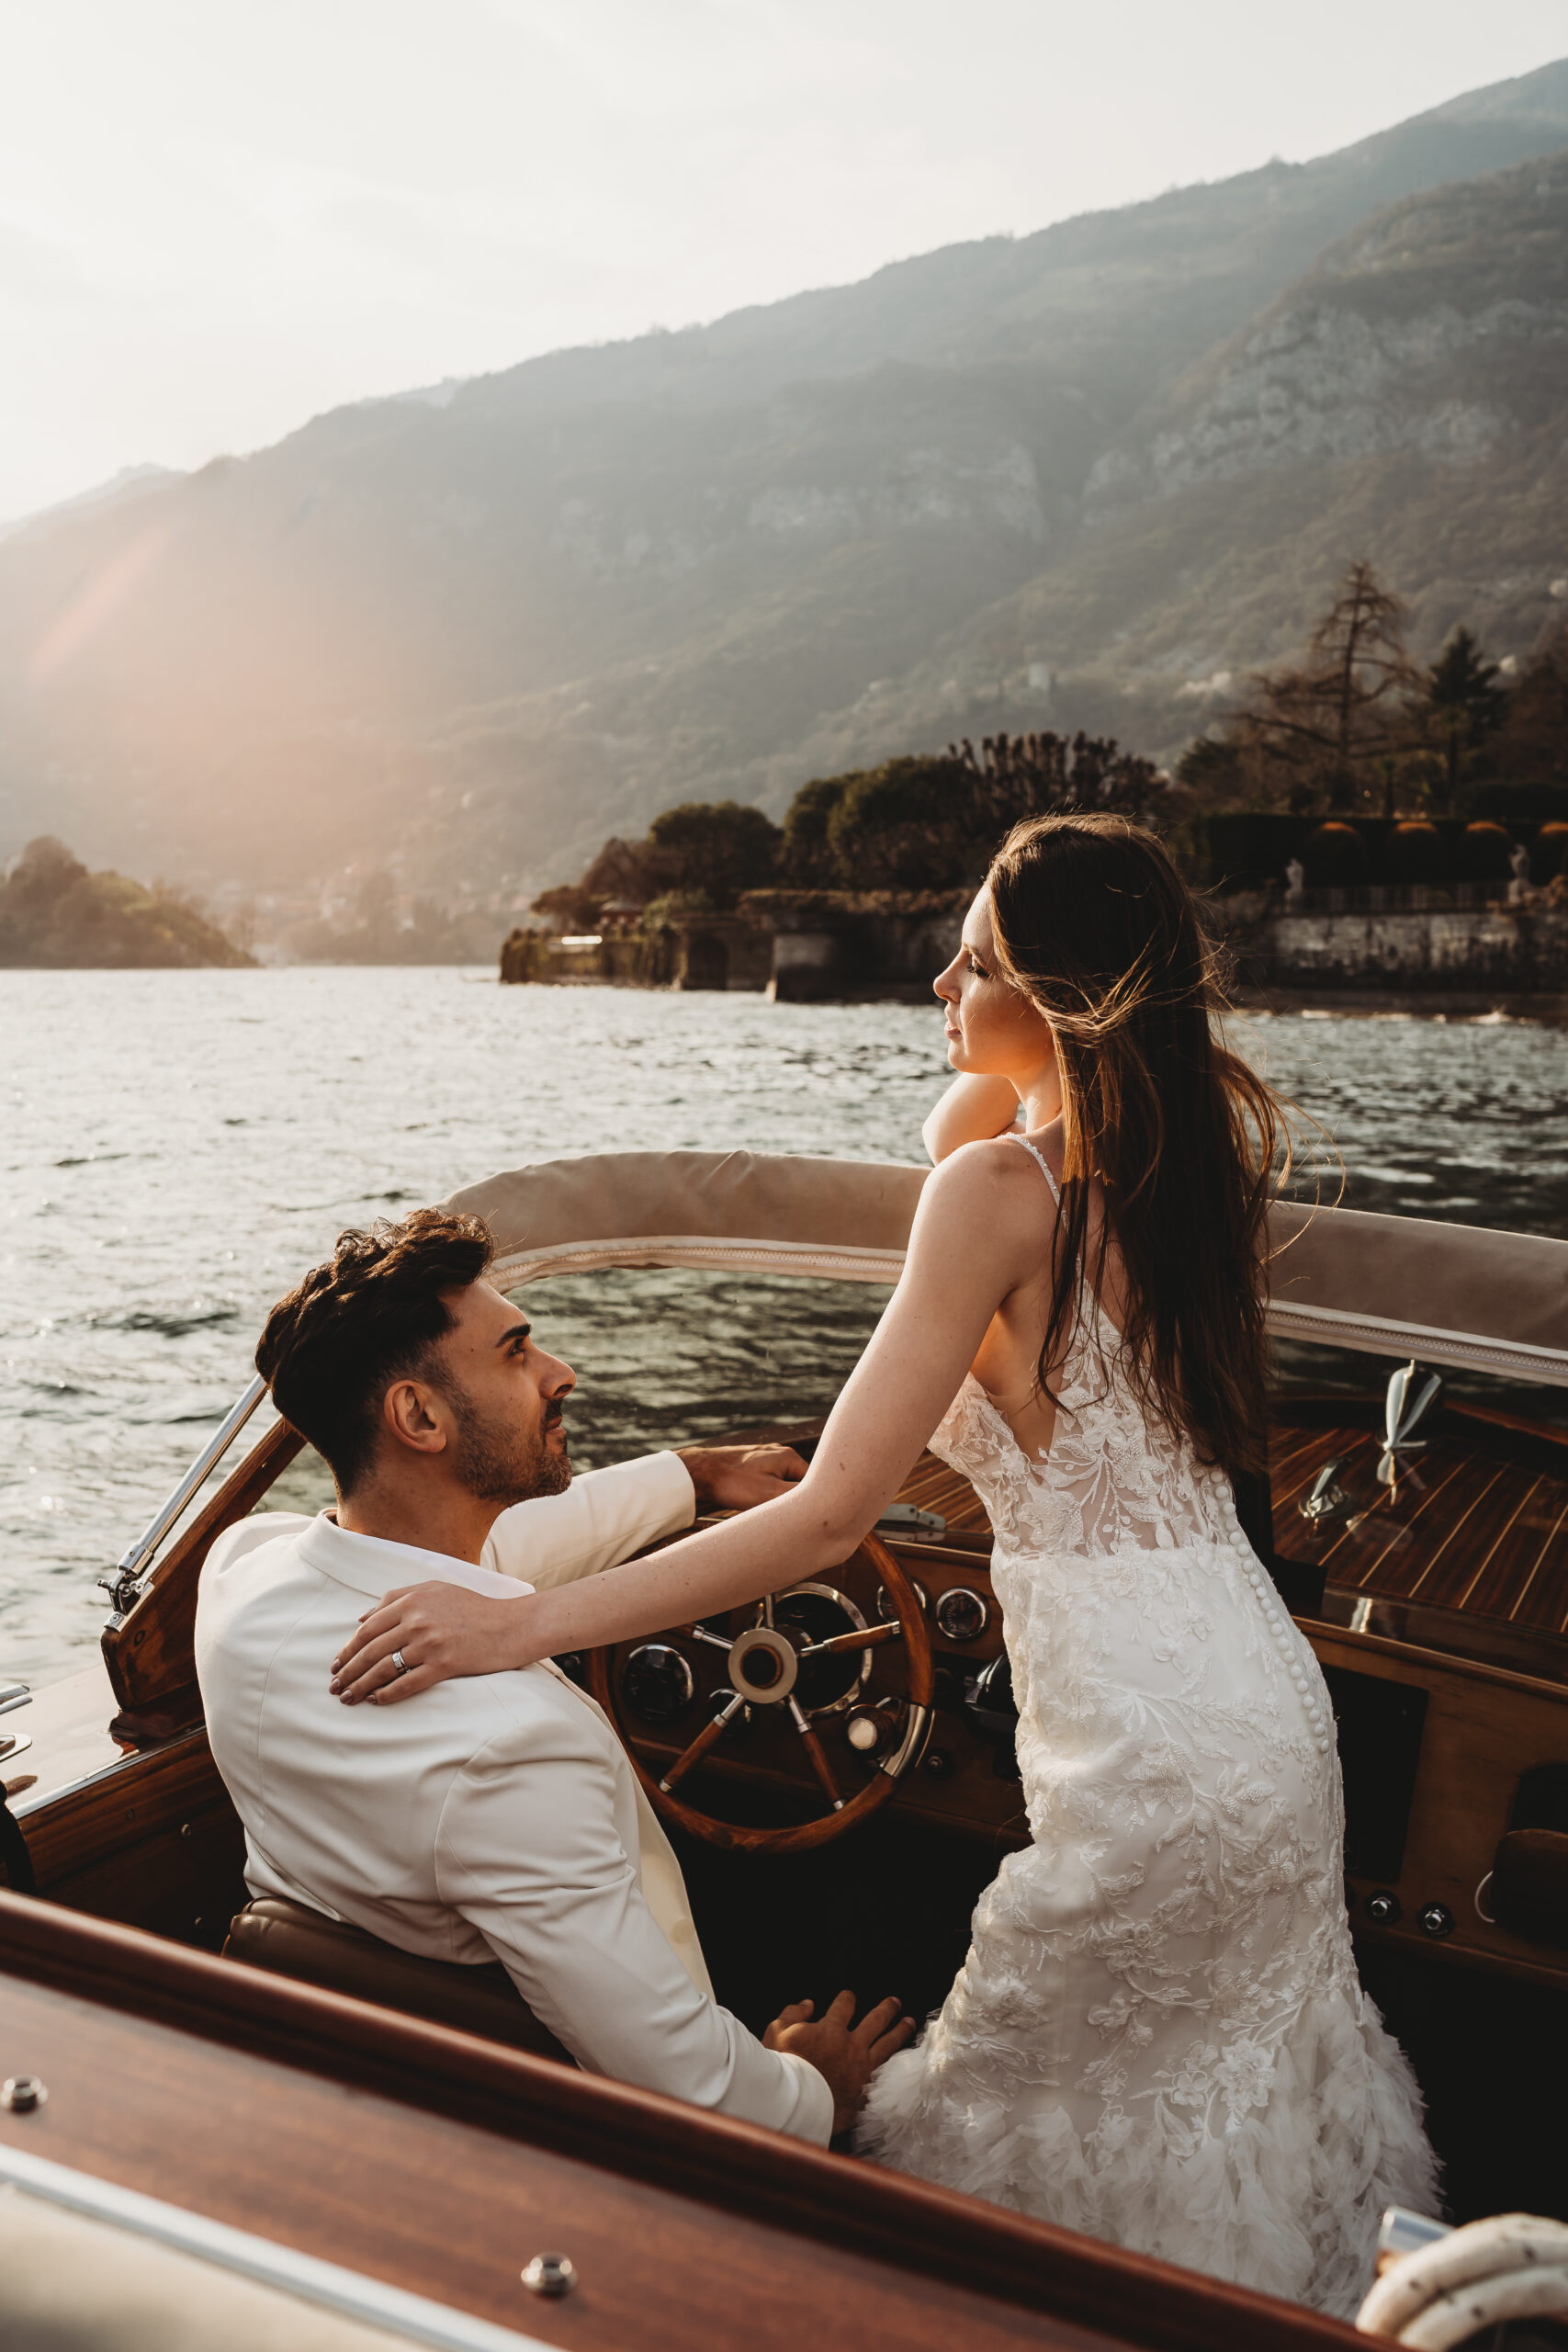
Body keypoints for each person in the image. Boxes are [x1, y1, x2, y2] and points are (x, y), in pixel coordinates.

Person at [332, 813, 1438, 2316]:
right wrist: (1021, 1030)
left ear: (1050, 995)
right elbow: (963, 1117)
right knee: (1222, 2094)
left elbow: (825, 1520)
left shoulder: (993, 1199)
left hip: (1147, 1750)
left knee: (1025, 2131)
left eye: (967, 958)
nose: (933, 984)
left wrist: (516, 1623)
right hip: (1262, 1716)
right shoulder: (1189, 1169)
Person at [196, 1211, 912, 2146]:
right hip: (585, 2143)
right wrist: (814, 2080)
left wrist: (688, 1477)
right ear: (418, 1416)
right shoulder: (511, 1748)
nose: (558, 1371)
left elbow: (500, 1551)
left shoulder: (242, 1575)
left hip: (365, 2075)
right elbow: (697, 2095)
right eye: (517, 1352)